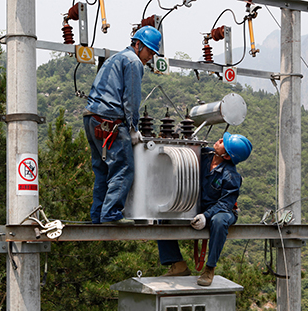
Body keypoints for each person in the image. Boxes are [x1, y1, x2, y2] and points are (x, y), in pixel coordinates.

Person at [83, 25, 162, 225]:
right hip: (111, 121)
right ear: (138, 45)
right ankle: (110, 214)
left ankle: (98, 215)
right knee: (124, 168)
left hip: (92, 119)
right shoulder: (133, 62)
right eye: (149, 51)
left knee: (102, 168)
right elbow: (131, 99)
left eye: (153, 53)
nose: (150, 57)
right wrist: (133, 128)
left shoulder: (115, 59)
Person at [157, 132, 252, 286]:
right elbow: (184, 154)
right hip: (198, 206)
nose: (220, 140)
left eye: (224, 143)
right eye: (222, 138)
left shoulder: (230, 176)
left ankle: (209, 268)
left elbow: (225, 204)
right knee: (162, 215)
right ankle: (177, 263)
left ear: (227, 156)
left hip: (221, 210)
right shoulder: (204, 155)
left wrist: (206, 216)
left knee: (220, 221)